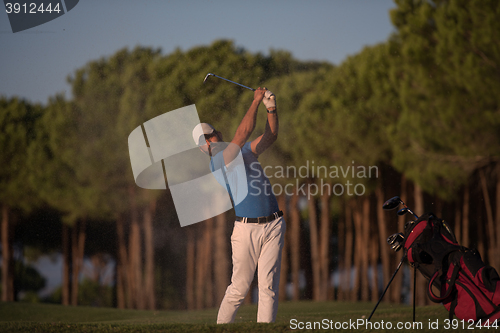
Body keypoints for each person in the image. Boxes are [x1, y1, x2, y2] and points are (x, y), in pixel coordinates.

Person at [192, 87, 286, 323]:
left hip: (274, 224)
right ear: (204, 146)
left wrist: (271, 108)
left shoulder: (245, 151)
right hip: (246, 231)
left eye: (213, 134)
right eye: (209, 138)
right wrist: (255, 102)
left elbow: (270, 135)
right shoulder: (218, 161)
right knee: (239, 289)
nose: (213, 139)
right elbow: (242, 133)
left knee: (268, 288)